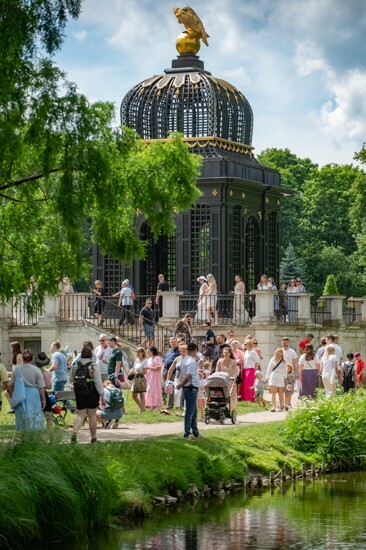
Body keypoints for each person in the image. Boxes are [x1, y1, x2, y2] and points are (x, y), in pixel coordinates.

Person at [70, 345, 105, 443]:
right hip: (92, 392)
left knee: (80, 414)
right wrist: (102, 394)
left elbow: (71, 379)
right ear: (91, 355)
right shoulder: (94, 365)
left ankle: (74, 433)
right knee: (92, 415)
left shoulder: (75, 365)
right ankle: (93, 438)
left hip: (80, 392)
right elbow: (98, 382)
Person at [10, 349, 46, 431]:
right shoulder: (36, 369)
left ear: (22, 358)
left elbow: (12, 384)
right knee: (34, 413)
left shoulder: (16, 369)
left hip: (20, 393)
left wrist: (12, 395)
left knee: (21, 415)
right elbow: (41, 387)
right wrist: (43, 399)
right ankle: (34, 432)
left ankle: (22, 433)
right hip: (33, 393)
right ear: (32, 358)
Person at [177, 341, 201, 440]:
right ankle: (187, 433)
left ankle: (196, 433)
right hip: (191, 387)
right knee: (190, 412)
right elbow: (188, 375)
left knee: (194, 412)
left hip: (188, 387)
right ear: (195, 350)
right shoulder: (191, 361)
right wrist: (182, 384)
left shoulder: (184, 360)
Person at [167, 343, 187, 416]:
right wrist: (168, 380)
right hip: (178, 378)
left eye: (184, 351)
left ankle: (185, 410)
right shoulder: (177, 358)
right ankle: (178, 409)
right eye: (181, 351)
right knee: (176, 394)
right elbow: (171, 369)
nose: (182, 352)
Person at [216, 347, 238, 413]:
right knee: (222, 396)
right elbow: (217, 371)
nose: (225, 354)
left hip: (231, 381)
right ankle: (222, 409)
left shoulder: (233, 361)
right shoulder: (220, 361)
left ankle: (233, 409)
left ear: (230, 353)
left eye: (227, 353)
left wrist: (233, 377)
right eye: (224, 352)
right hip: (222, 381)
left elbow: (235, 372)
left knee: (232, 396)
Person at [34, 352, 53, 427]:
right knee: (48, 416)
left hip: (32, 393)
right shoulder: (45, 373)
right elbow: (48, 386)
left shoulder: (32, 370)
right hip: (42, 394)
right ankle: (50, 433)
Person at [265, 348, 286, 412]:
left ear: (282, 354)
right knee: (273, 393)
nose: (278, 355)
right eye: (277, 354)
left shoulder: (283, 361)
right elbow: (269, 369)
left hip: (280, 376)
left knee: (280, 393)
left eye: (280, 354)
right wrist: (267, 378)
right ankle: (273, 407)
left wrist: (285, 377)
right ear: (275, 353)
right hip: (273, 376)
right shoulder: (272, 360)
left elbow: (285, 370)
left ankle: (281, 406)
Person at [130, 347, 148, 412]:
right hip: (135, 378)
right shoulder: (137, 360)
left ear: (143, 353)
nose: (137, 353)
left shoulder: (145, 360)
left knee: (142, 394)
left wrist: (136, 372)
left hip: (141, 378)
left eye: (139, 352)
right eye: (137, 352)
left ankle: (142, 410)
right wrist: (132, 370)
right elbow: (134, 367)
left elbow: (145, 371)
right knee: (134, 395)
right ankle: (141, 407)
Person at [145, 346, 163, 411]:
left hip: (155, 377)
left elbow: (159, 368)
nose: (147, 353)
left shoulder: (158, 358)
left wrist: (150, 368)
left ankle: (156, 405)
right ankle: (150, 405)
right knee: (149, 390)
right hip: (149, 376)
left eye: (148, 352)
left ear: (152, 351)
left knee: (154, 389)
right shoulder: (149, 359)